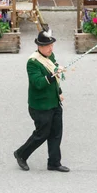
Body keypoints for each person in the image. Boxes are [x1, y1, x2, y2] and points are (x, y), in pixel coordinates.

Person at [13, 29, 70, 173]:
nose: (51, 48)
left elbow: (55, 78)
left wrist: (59, 91)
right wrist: (53, 74)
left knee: (56, 133)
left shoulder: (50, 56)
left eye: (52, 45)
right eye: (47, 46)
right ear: (39, 46)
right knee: (42, 134)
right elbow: (38, 83)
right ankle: (21, 154)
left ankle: (54, 163)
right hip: (40, 106)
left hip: (54, 102)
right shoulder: (32, 63)